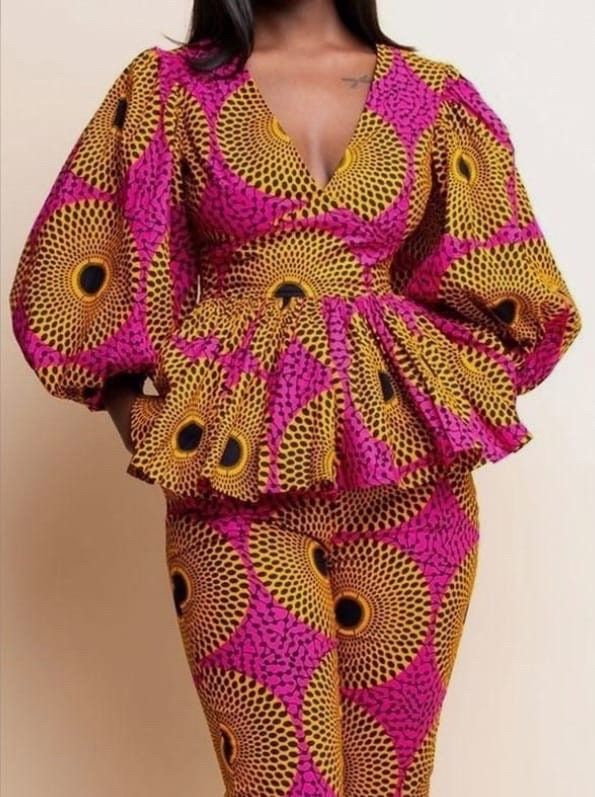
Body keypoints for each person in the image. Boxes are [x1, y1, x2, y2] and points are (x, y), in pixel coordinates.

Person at [9, 1, 582, 794]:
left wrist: (443, 401)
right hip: (234, 488)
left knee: (392, 785)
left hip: (412, 495)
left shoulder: (432, 95)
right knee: (277, 781)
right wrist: (137, 418)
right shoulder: (169, 90)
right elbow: (76, 270)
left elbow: (510, 286)